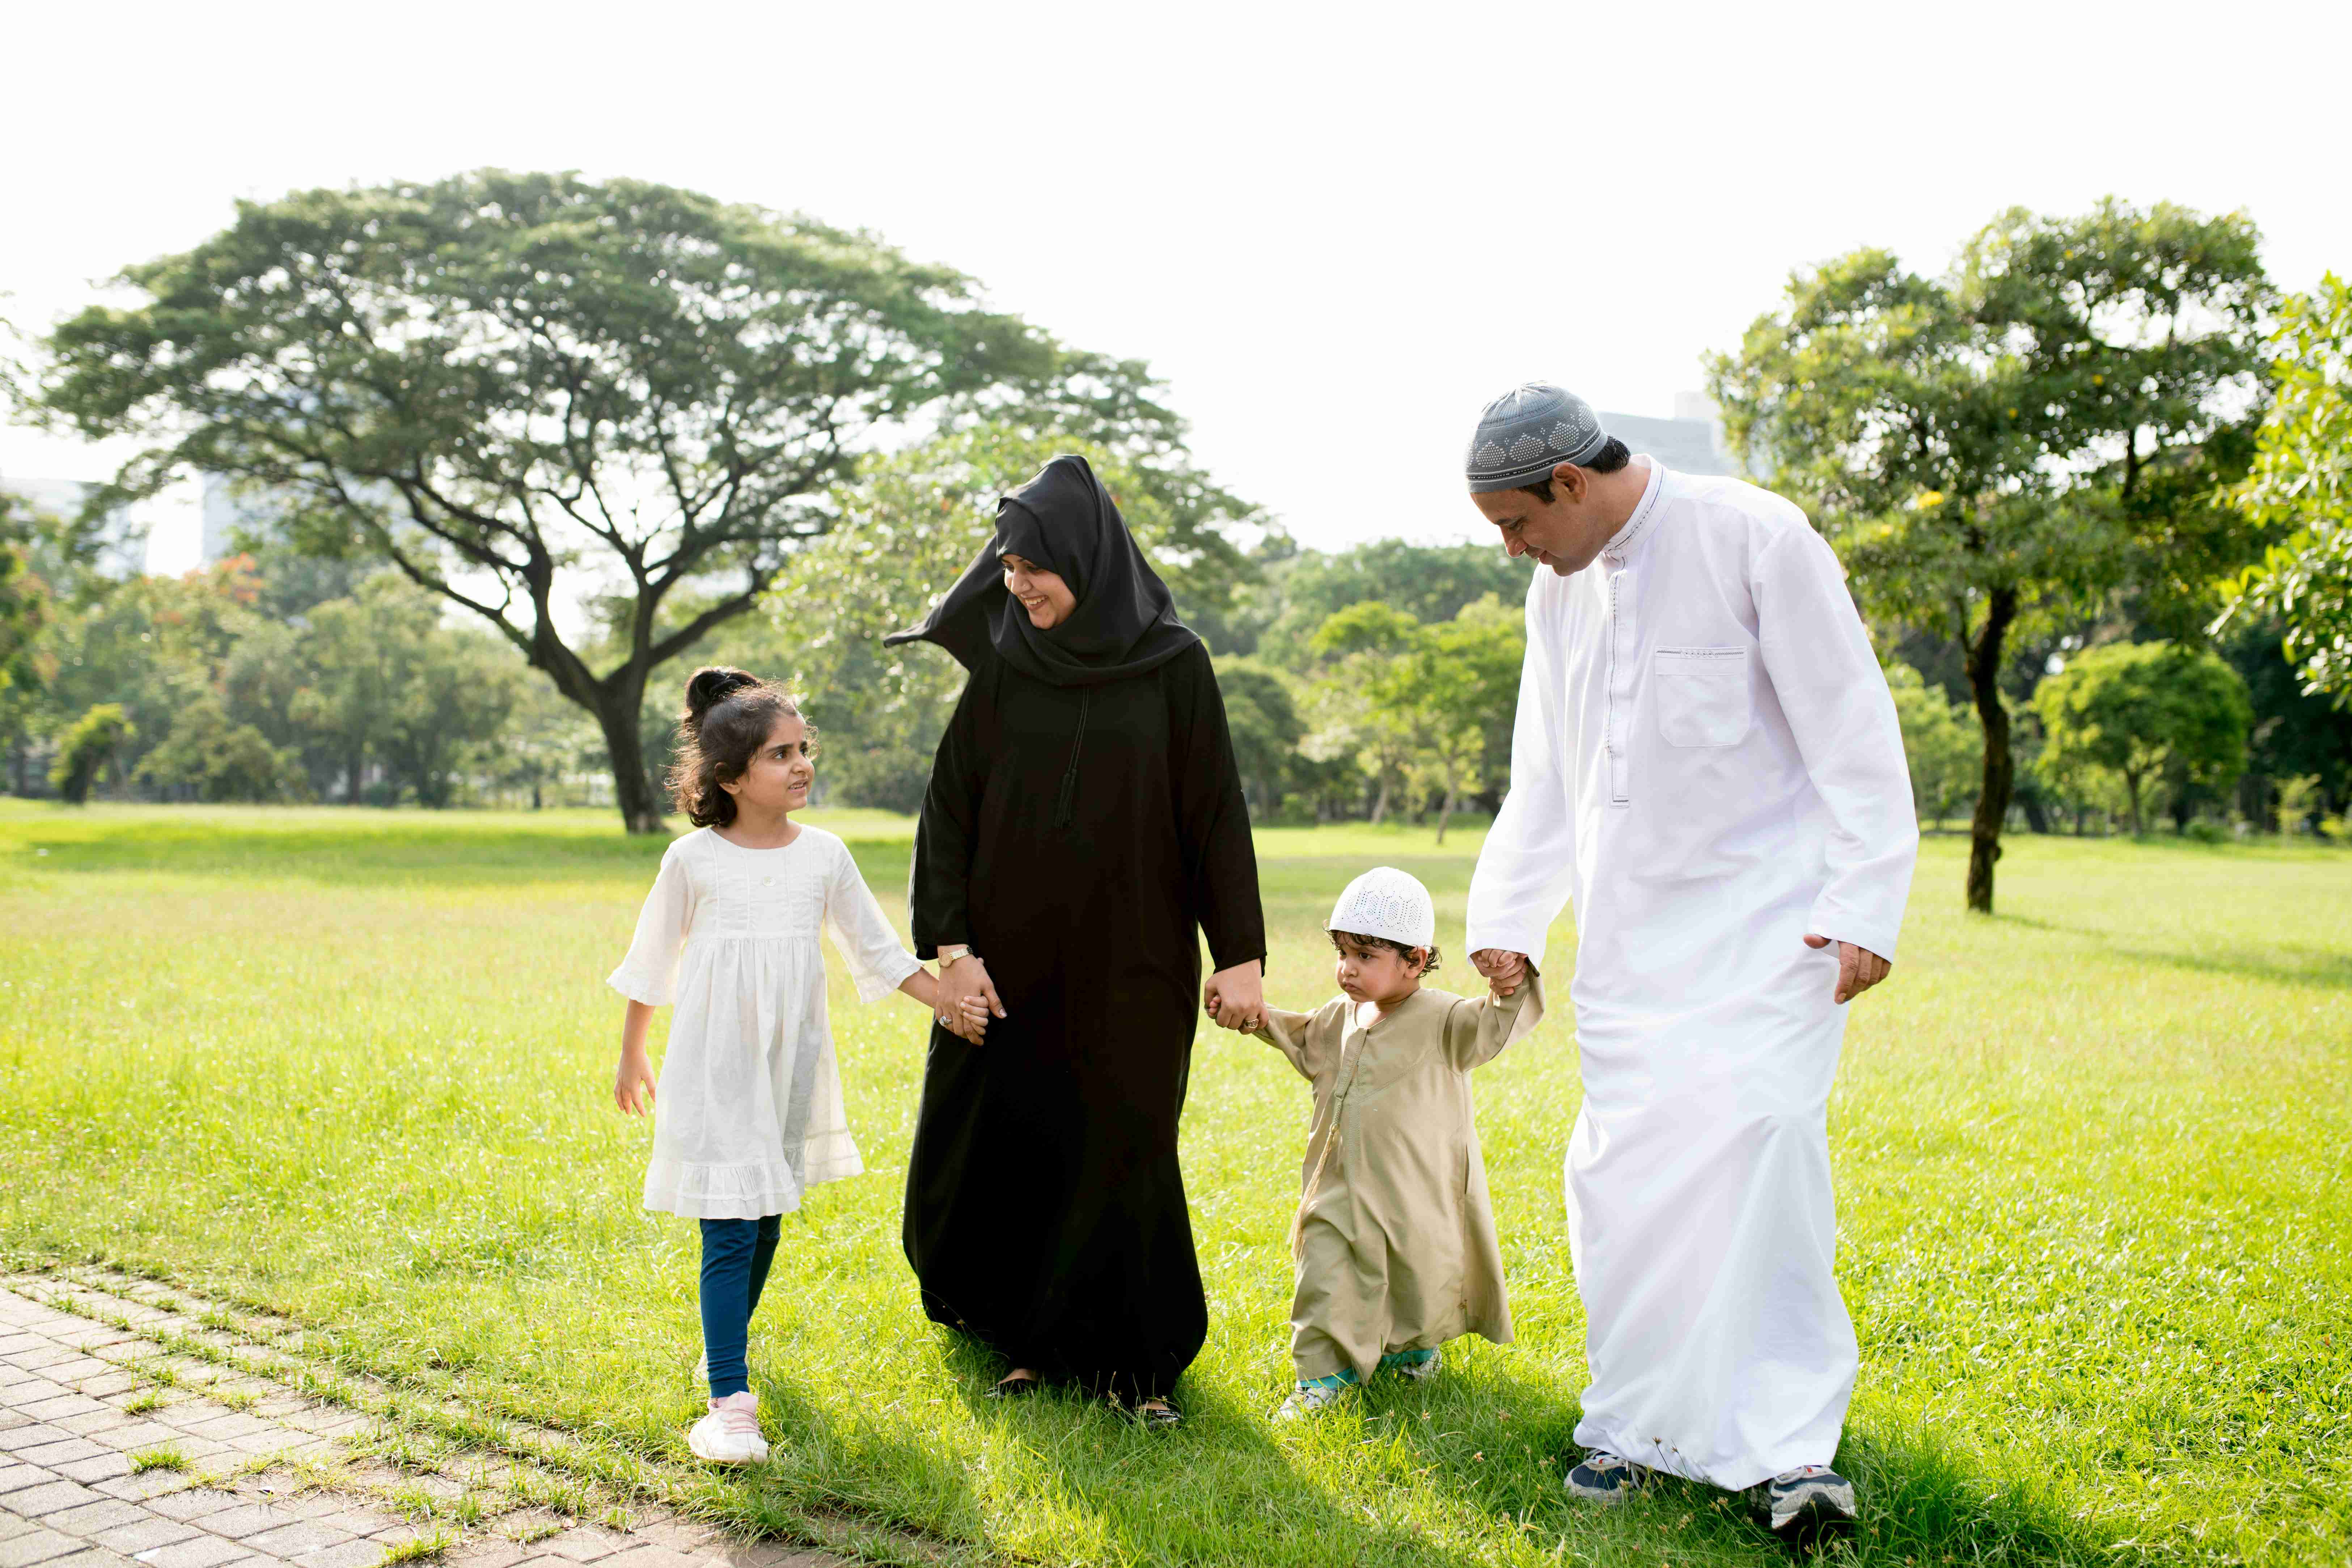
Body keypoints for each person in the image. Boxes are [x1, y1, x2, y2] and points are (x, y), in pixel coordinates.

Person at [1458, 385, 1918, 1545]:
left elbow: (1856, 731)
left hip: (1774, 934)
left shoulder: (1756, 535)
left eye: (1517, 523)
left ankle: (1790, 1451)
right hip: (1629, 945)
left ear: (1571, 483)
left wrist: (1866, 900)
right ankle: (1633, 1426)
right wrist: (1510, 910)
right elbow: (1544, 771)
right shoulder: (1554, 593)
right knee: (1624, 1183)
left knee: (1763, 1155)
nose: (1513, 549)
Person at [884, 455, 1266, 1428]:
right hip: (1012, 957)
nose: (1016, 584)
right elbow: (951, 809)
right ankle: (1028, 1339)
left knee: (1125, 1138)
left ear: (1084, 558)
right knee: (1019, 1135)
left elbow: (1214, 811)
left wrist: (1238, 950)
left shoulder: (1177, 663)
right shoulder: (1008, 659)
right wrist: (952, 946)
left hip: (1136, 957)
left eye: (1032, 567)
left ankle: (1140, 1361)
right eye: (1006, 567)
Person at [608, 667, 985, 1466]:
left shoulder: (824, 854)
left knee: (768, 1211)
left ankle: (724, 1350)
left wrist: (949, 1002)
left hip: (788, 1066)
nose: (802, 764)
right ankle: (728, 1405)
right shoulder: (693, 860)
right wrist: (633, 1051)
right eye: (781, 754)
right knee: (730, 1224)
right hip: (715, 1064)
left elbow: (878, 950)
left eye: (803, 749)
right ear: (730, 777)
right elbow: (651, 960)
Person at [1213, 867, 1544, 1421]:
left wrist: (1508, 983)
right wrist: (1256, 1018)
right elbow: (1300, 1036)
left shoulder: (1445, 1020)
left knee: (1415, 1275)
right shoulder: (1340, 1017)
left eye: (1366, 956)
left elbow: (1496, 1022)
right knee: (1324, 1270)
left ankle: (1410, 1351)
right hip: (1337, 1187)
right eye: (1342, 952)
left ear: (1415, 960)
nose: (1347, 968)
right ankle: (1323, 1375)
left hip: (1411, 1191)